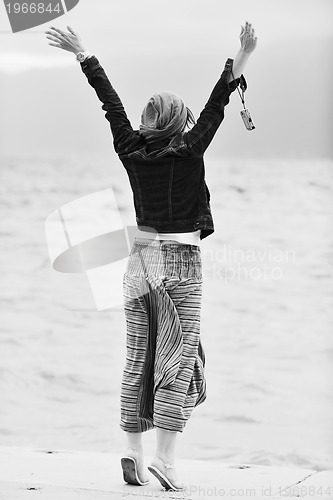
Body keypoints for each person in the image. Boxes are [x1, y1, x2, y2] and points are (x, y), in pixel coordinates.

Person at [45, 22, 257, 491]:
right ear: (181, 122)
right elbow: (217, 104)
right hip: (180, 260)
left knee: (137, 356)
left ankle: (131, 450)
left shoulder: (131, 148)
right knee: (178, 360)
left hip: (139, 261)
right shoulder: (190, 147)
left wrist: (85, 55)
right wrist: (242, 56)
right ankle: (164, 458)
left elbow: (111, 105)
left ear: (147, 122)